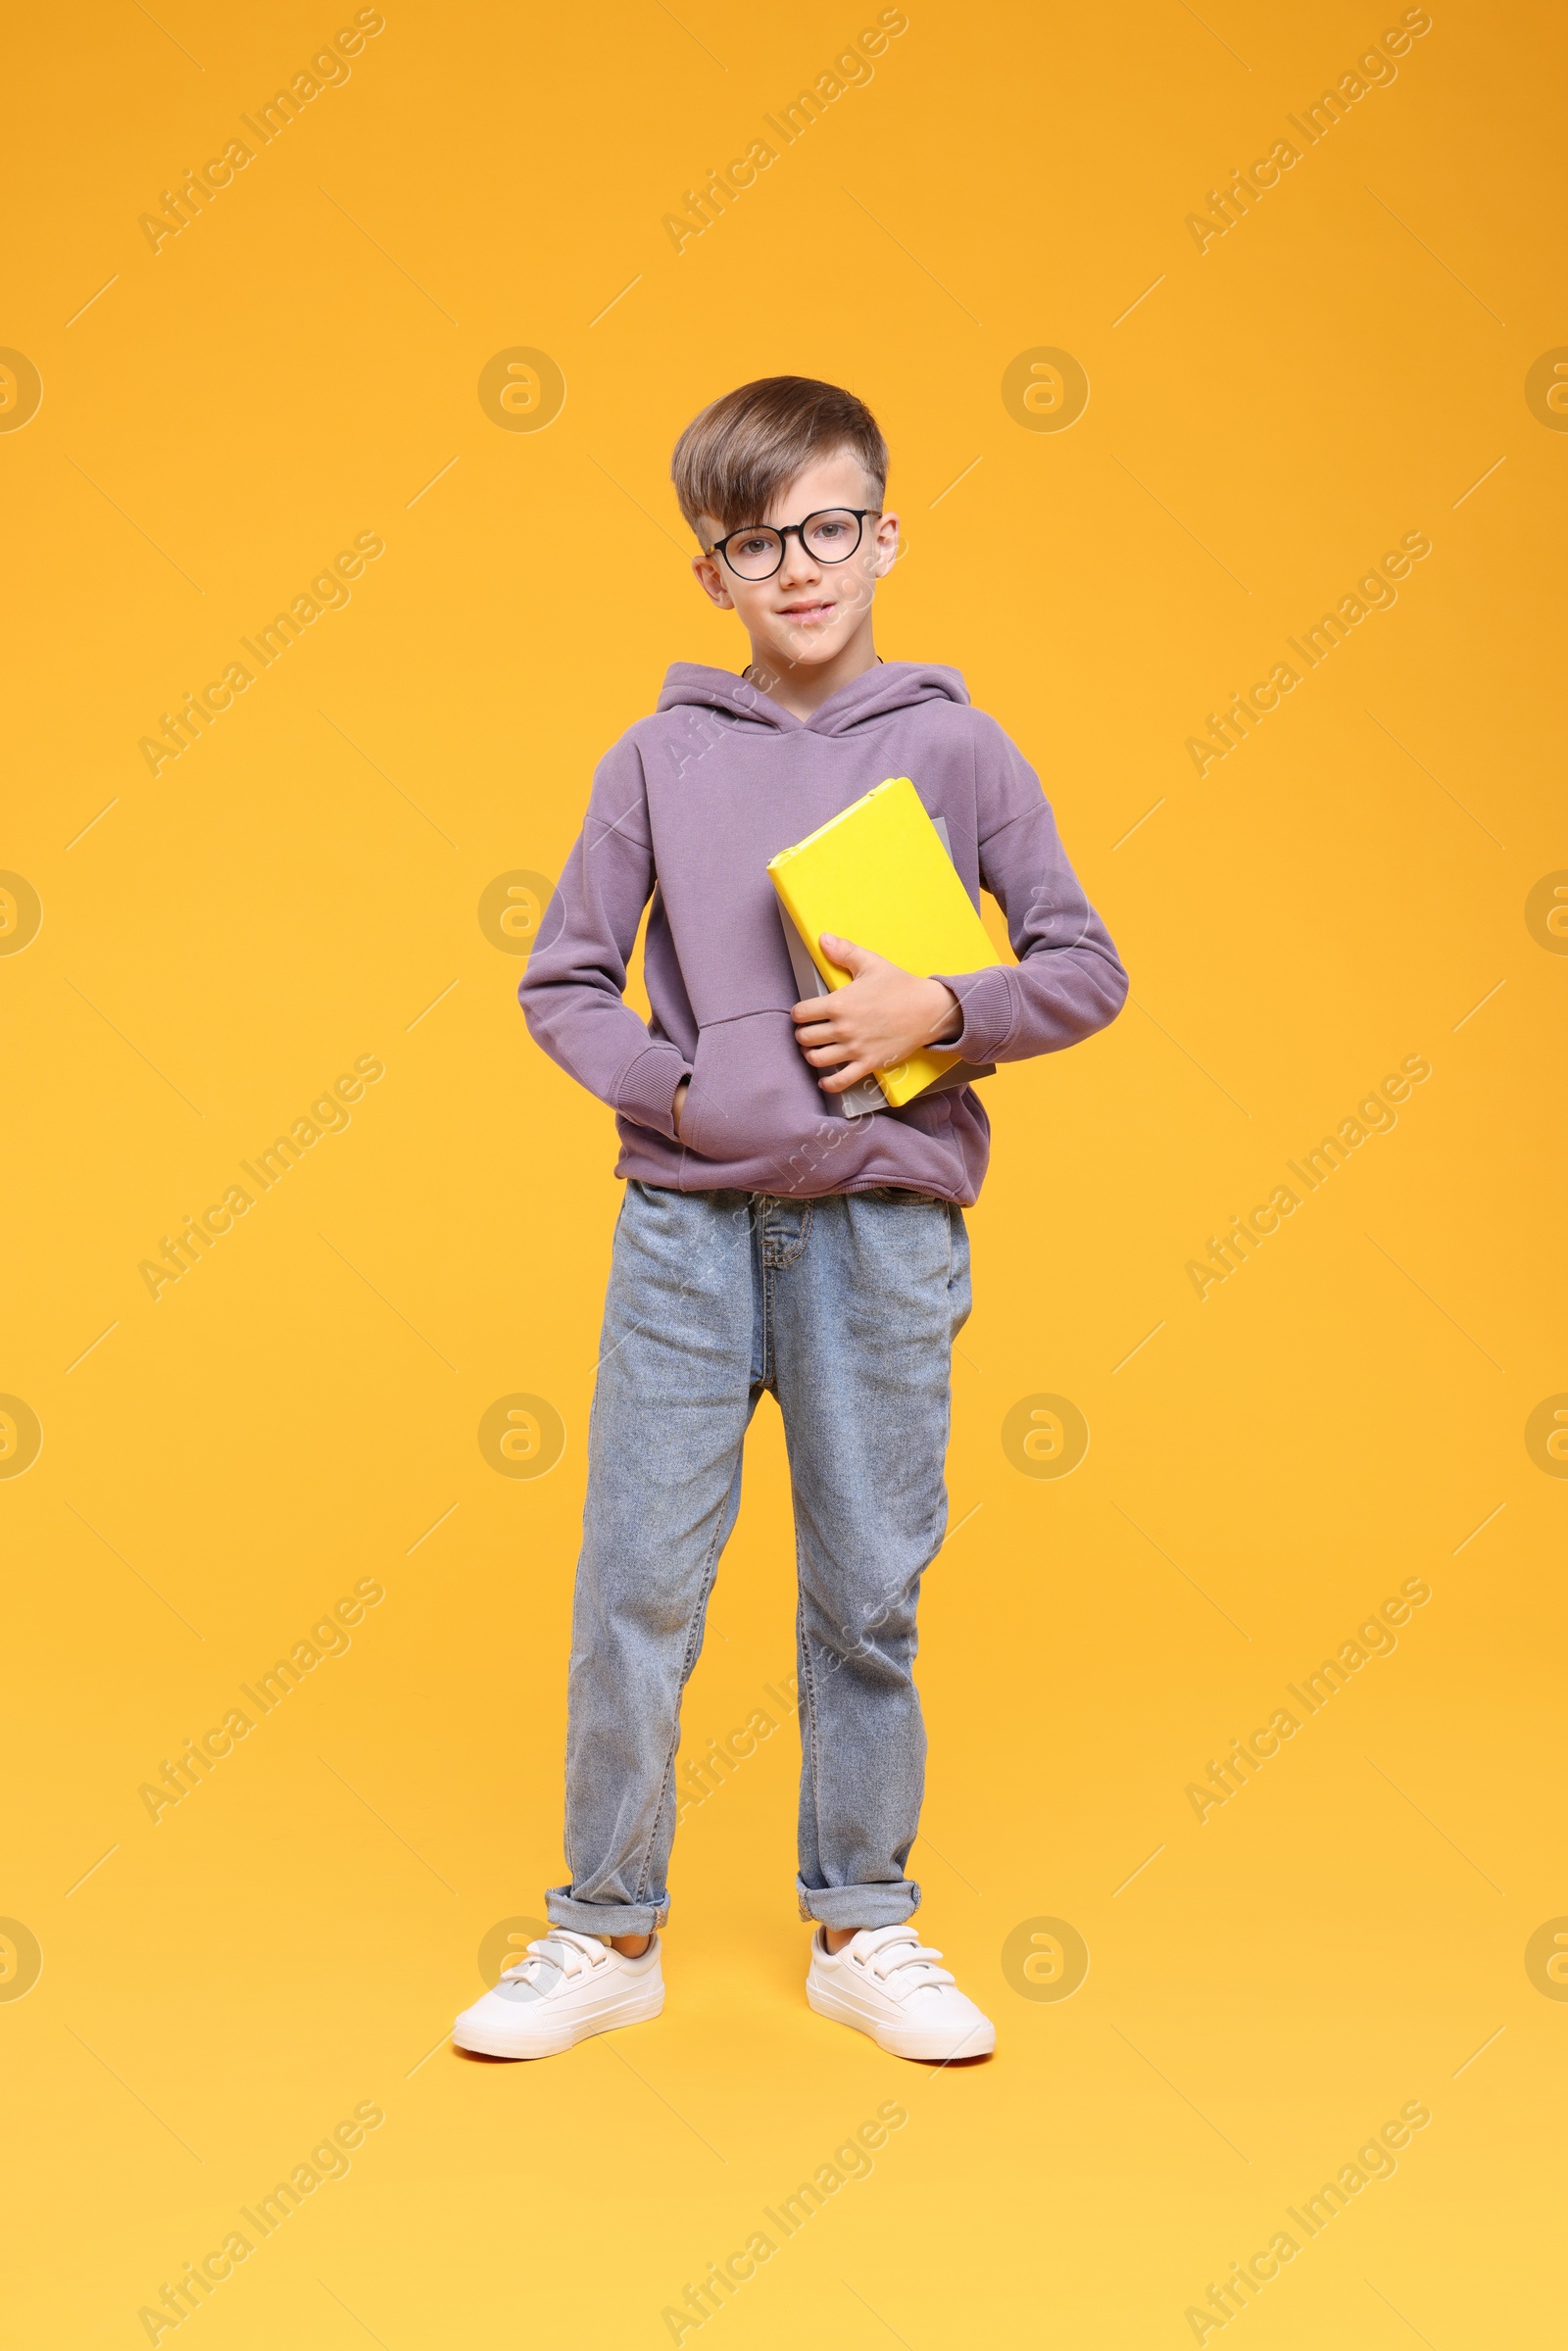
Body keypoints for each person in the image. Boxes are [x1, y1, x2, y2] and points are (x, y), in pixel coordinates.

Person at [452, 375, 1127, 2064]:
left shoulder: (960, 748)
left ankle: (863, 1922)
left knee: (868, 1587)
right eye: (757, 543)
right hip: (684, 1235)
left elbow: (1084, 967)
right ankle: (603, 1931)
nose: (800, 566)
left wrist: (940, 1016)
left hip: (882, 1237)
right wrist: (676, 1098)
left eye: (829, 528)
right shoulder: (658, 756)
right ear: (714, 574)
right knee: (637, 1581)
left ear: (885, 535)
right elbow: (565, 981)